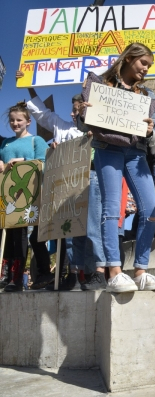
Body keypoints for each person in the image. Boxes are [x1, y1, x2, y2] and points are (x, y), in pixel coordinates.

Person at [80, 43, 155, 293]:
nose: (145, 69)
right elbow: (84, 126)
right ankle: (115, 272)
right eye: (143, 63)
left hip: (136, 153)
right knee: (111, 209)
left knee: (151, 208)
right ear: (128, 59)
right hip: (108, 149)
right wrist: (83, 115)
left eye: (148, 66)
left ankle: (141, 270)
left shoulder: (147, 95)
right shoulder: (100, 86)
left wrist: (151, 130)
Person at [17, 73, 106, 291]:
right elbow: (42, 114)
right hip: (66, 184)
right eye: (73, 110)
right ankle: (74, 274)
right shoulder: (62, 127)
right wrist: (29, 86)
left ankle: (99, 272)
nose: (72, 113)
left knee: (92, 228)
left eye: (77, 110)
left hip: (90, 180)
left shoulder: (100, 129)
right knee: (71, 229)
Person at [0, 101, 52, 291]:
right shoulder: (5, 143)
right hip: (10, 196)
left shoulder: (36, 140)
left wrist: (23, 161)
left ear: (28, 121)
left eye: (19, 120)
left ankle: (42, 273)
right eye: (12, 120)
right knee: (11, 236)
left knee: (31, 236)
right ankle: (10, 276)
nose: (15, 123)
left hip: (32, 193)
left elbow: (43, 162)